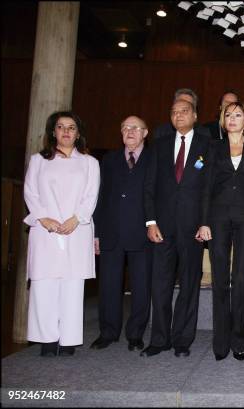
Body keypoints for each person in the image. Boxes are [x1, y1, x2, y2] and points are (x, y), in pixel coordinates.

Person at [23, 111, 100, 357]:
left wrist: (76, 218)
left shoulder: (89, 163)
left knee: (72, 285)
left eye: (71, 127)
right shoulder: (38, 160)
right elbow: (30, 192)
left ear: (78, 134)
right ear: (53, 132)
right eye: (60, 127)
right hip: (45, 229)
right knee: (44, 284)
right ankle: (46, 339)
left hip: (76, 229)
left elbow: (91, 195)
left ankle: (68, 340)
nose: (66, 131)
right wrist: (42, 217)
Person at [142, 99, 211, 358]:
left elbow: (208, 190)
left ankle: (183, 339)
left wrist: (205, 222)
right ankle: (159, 339)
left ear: (195, 115)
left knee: (190, 285)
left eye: (184, 111)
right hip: (162, 227)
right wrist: (150, 222)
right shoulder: (159, 146)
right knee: (159, 284)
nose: (178, 115)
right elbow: (149, 187)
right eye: (174, 112)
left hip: (193, 227)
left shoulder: (208, 147)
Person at [200, 101, 244, 361]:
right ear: (223, 120)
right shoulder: (211, 148)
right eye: (229, 115)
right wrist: (203, 221)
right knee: (219, 281)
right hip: (217, 219)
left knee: (240, 280)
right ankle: (220, 341)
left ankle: (239, 339)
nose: (234, 118)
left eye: (239, 115)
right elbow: (204, 186)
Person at [91, 116, 152, 352]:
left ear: (145, 133)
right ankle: (107, 332)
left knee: (141, 285)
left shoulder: (154, 158)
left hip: (142, 232)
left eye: (135, 128)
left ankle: (135, 333)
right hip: (111, 232)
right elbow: (101, 196)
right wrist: (97, 232)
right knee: (108, 285)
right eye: (125, 127)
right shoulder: (109, 159)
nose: (130, 131)